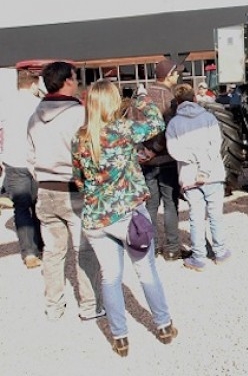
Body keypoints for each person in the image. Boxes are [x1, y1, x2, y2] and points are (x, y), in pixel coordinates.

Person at [72, 80, 177, 357]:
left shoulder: (80, 138)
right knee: (146, 271)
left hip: (96, 217)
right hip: (129, 215)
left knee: (110, 277)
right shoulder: (123, 130)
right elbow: (157, 123)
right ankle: (164, 325)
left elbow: (79, 181)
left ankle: (120, 338)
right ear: (113, 102)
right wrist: (141, 98)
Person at [26, 61, 103, 321]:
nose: (77, 81)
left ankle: (54, 305)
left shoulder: (35, 115)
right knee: (85, 249)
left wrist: (41, 177)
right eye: (74, 77)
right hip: (73, 189)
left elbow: (29, 156)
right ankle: (90, 306)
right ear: (67, 81)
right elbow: (91, 153)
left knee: (52, 251)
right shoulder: (78, 114)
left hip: (45, 189)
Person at [166, 84, 231, 271]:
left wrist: (193, 159)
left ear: (177, 102)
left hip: (189, 176)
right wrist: (205, 165)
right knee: (215, 215)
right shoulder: (209, 118)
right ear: (194, 98)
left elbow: (174, 150)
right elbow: (215, 145)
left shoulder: (174, 124)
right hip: (213, 174)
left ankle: (199, 256)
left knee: (195, 216)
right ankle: (220, 252)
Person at [133, 58, 189, 261]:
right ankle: (172, 248)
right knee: (170, 204)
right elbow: (170, 130)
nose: (177, 76)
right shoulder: (171, 99)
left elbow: (132, 127)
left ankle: (152, 247)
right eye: (176, 73)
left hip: (145, 161)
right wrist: (155, 151)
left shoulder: (141, 98)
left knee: (150, 206)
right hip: (165, 160)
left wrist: (142, 152)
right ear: (169, 75)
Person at [1, 70, 44, 268]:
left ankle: (29, 252)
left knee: (21, 207)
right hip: (36, 161)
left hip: (13, 162)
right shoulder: (39, 105)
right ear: (34, 85)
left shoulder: (6, 103)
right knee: (37, 204)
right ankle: (41, 243)